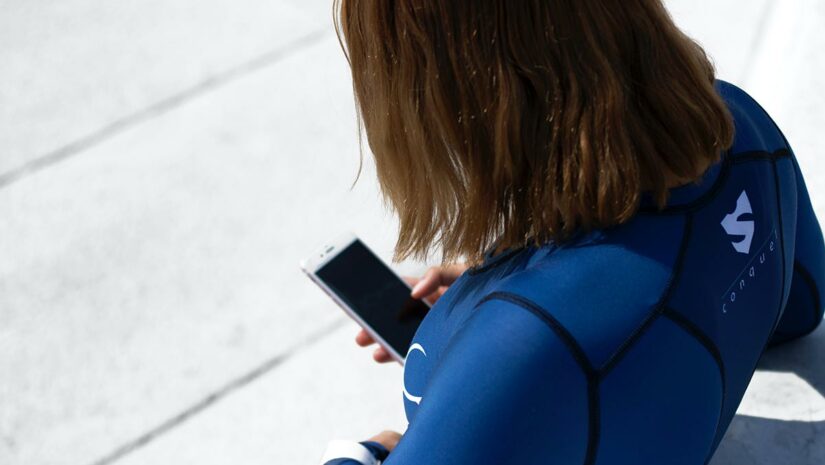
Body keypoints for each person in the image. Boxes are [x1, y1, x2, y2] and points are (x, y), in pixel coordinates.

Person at [321, 1, 825, 464]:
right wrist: (505, 284)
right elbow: (801, 304)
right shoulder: (744, 126)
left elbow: (556, 349)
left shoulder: (525, 342)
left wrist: (370, 449)